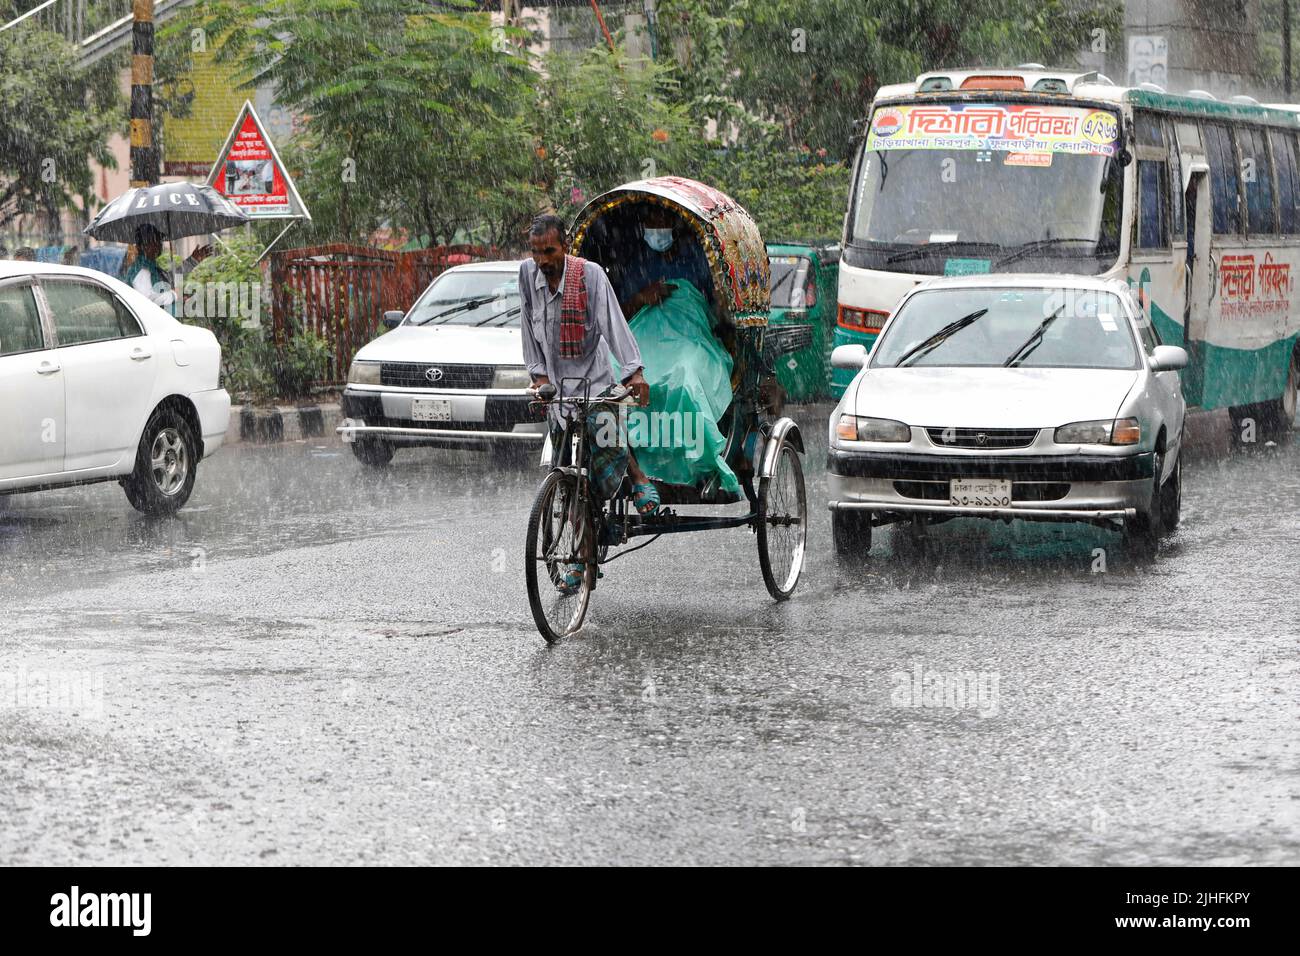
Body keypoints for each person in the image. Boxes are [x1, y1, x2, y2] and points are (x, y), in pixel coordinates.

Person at [520, 213, 658, 590]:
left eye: (549, 251)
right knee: (568, 478)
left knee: (605, 442)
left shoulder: (590, 275)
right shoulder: (527, 277)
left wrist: (634, 373)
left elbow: (613, 324)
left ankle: (637, 477)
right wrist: (540, 377)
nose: (543, 260)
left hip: (593, 380)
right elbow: (528, 330)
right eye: (536, 252)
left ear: (565, 247)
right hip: (557, 389)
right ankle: (582, 558)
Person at [619, 204, 714, 320]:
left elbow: (715, 303)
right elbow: (617, 316)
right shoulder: (636, 263)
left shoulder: (698, 256)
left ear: (675, 225)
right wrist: (640, 298)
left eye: (662, 223)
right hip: (645, 333)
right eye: (651, 224)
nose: (656, 229)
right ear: (643, 226)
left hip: (693, 330)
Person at [125, 224, 176, 312]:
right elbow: (148, 301)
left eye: (159, 241)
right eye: (154, 241)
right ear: (142, 246)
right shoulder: (141, 270)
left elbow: (171, 274)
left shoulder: (152, 267)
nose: (159, 245)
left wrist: (192, 261)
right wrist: (173, 294)